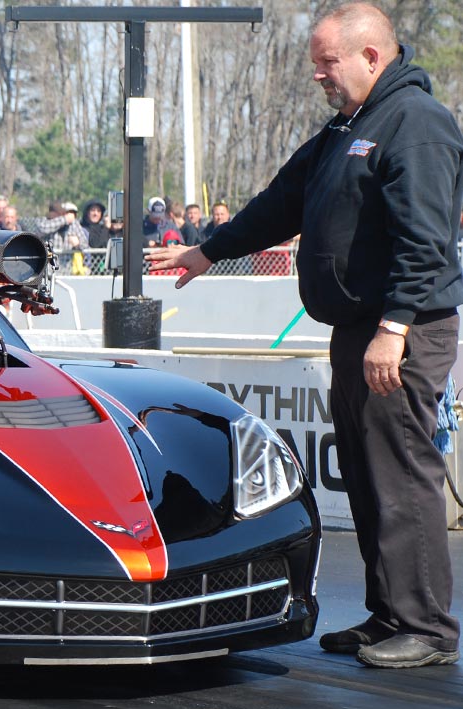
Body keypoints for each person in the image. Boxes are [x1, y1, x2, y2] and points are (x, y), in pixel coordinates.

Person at [150, 2, 462, 669]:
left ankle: (427, 627)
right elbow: (283, 201)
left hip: (398, 332)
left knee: (403, 476)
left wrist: (394, 327)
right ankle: (389, 615)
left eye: (328, 63)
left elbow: (426, 240)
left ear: (371, 56)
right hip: (359, 330)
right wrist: (210, 250)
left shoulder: (417, 125)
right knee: (369, 472)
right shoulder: (347, 127)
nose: (319, 75)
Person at [37, 200, 89, 275]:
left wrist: (78, 244)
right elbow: (43, 229)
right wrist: (64, 220)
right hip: (47, 270)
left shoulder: (73, 224)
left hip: (67, 271)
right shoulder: (44, 221)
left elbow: (85, 245)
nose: (55, 219)